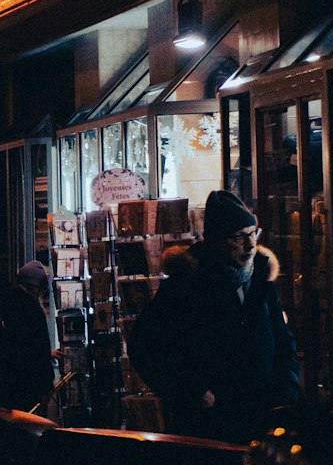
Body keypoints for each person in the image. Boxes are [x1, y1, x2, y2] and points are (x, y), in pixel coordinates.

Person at [127, 190, 299, 443]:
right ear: (216, 241)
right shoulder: (186, 285)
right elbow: (144, 345)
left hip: (262, 419)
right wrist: (189, 390)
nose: (251, 244)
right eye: (239, 237)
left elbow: (283, 343)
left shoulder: (261, 282)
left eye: (253, 233)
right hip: (209, 425)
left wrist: (286, 392)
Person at [0, 260, 55, 413]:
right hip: (25, 383)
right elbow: (38, 349)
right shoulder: (31, 309)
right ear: (35, 287)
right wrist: (46, 385)